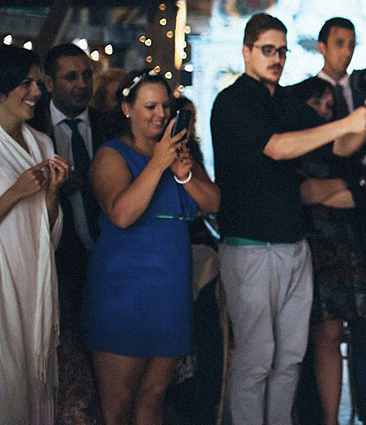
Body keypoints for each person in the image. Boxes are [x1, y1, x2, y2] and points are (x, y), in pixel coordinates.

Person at [211, 12, 366, 425]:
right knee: (255, 358)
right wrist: (345, 122)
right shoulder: (233, 101)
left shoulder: (284, 101)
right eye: (267, 50)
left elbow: (338, 147)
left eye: (282, 51)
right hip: (250, 245)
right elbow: (278, 148)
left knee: (289, 357)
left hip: (294, 243)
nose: (277, 58)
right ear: (247, 51)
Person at [83, 71, 221, 425]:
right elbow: (122, 214)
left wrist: (183, 172)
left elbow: (214, 203)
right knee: (117, 406)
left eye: (165, 105)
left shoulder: (180, 154)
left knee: (154, 398)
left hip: (171, 290)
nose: (160, 114)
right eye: (150, 106)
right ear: (127, 109)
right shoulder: (110, 156)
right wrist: (158, 162)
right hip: (124, 292)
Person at [311, 17, 366, 425]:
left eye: (351, 43)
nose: (345, 51)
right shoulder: (307, 95)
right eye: (339, 43)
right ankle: (317, 411)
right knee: (325, 321)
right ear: (323, 46)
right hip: (324, 215)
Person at [34, 43, 117, 424]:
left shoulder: (109, 124)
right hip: (54, 259)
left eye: (87, 75)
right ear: (49, 83)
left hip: (110, 255)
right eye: (71, 77)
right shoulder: (32, 129)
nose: (82, 84)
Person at [290, 76, 366, 425]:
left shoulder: (342, 147)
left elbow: (358, 196)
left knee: (331, 335)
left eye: (328, 104)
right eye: (315, 104)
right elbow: (300, 194)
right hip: (300, 241)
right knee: (291, 340)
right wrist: (332, 189)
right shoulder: (292, 143)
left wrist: (325, 190)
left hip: (337, 245)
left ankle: (329, 419)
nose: (323, 109)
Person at [0, 45, 70, 425]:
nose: (36, 91)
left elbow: (46, 226)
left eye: (36, 82)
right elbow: (18, 201)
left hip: (36, 272)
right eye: (25, 83)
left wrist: (53, 192)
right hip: (3, 278)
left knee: (34, 371)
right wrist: (16, 192)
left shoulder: (42, 143)